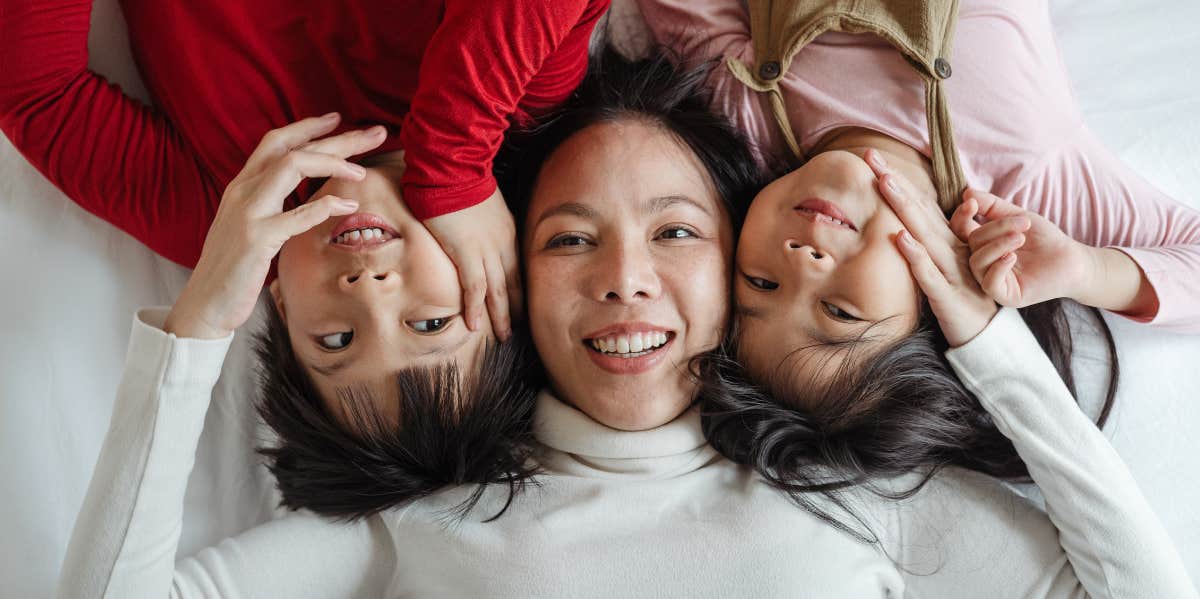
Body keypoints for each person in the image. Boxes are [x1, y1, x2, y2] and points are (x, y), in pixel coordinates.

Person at [55, 50, 1196, 599]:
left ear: (749, 258)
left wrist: (983, 336)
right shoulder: (429, 515)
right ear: (495, 284)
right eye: (565, 239)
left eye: (678, 233)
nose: (624, 281)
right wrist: (203, 318)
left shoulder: (847, 495)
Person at [0, 0, 608, 504]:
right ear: (503, 283)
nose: (367, 293)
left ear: (283, 307)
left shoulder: (229, 219)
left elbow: (36, 93)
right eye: (429, 323)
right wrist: (452, 162)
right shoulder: (514, 106)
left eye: (335, 342)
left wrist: (209, 303)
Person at [635, 0, 1200, 489]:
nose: (801, 263)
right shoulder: (1024, 175)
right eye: (839, 311)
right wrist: (1086, 270)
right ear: (934, 310)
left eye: (760, 282)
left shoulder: (748, 112)